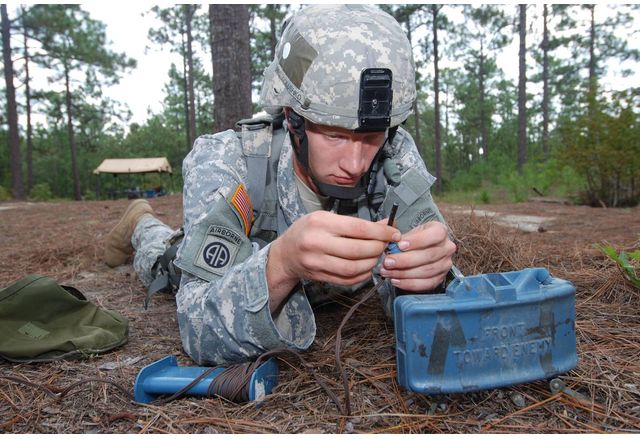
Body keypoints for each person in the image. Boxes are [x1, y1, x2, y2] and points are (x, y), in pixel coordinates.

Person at [103, 4, 456, 366]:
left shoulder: (395, 154)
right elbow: (197, 325)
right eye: (334, 136)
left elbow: (438, 299)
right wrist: (283, 264)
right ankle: (140, 223)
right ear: (291, 118)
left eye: (370, 137)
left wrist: (430, 273)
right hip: (225, 263)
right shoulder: (230, 159)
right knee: (165, 259)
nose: (355, 164)